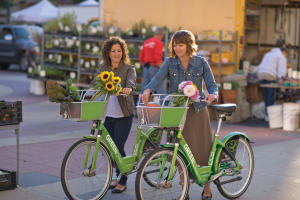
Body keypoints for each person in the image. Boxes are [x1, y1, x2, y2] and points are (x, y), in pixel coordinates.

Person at [141, 30, 218, 200]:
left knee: (203, 150)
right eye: (175, 45)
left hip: (197, 110)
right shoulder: (169, 63)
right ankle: (185, 190)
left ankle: (207, 188)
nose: (177, 48)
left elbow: (212, 85)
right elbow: (157, 79)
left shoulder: (201, 62)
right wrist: (147, 90)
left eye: (181, 45)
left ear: (189, 45)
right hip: (176, 112)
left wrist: (213, 95)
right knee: (178, 152)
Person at [99, 36, 136, 193]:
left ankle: (124, 179)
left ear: (123, 52)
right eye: (113, 51)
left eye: (119, 51)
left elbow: (131, 83)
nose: (116, 54)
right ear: (108, 52)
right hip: (107, 114)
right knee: (110, 148)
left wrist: (128, 89)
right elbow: (96, 84)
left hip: (124, 114)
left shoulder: (129, 69)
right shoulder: (103, 68)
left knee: (118, 147)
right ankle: (116, 175)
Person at [256, 46, 288, 120]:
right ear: (284, 52)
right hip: (269, 74)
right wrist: (282, 78)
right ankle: (269, 116)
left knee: (266, 95)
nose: (285, 56)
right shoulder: (281, 56)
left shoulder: (268, 53)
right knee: (270, 95)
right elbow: (282, 70)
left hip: (260, 73)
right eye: (286, 54)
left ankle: (266, 114)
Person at [139, 27, 166, 93]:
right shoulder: (159, 43)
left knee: (144, 88)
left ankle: (140, 103)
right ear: (161, 35)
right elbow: (157, 58)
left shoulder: (146, 42)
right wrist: (163, 69)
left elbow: (141, 56)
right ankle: (162, 103)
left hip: (146, 68)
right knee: (160, 89)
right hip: (154, 68)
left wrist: (145, 66)